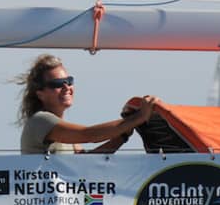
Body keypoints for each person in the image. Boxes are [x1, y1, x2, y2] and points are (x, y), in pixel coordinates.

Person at [16, 54, 157, 154]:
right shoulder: (40, 120)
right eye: (57, 84)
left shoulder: (60, 129)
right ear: (40, 94)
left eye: (69, 81)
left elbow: (85, 163)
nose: (67, 87)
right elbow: (89, 135)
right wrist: (138, 118)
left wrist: (121, 137)